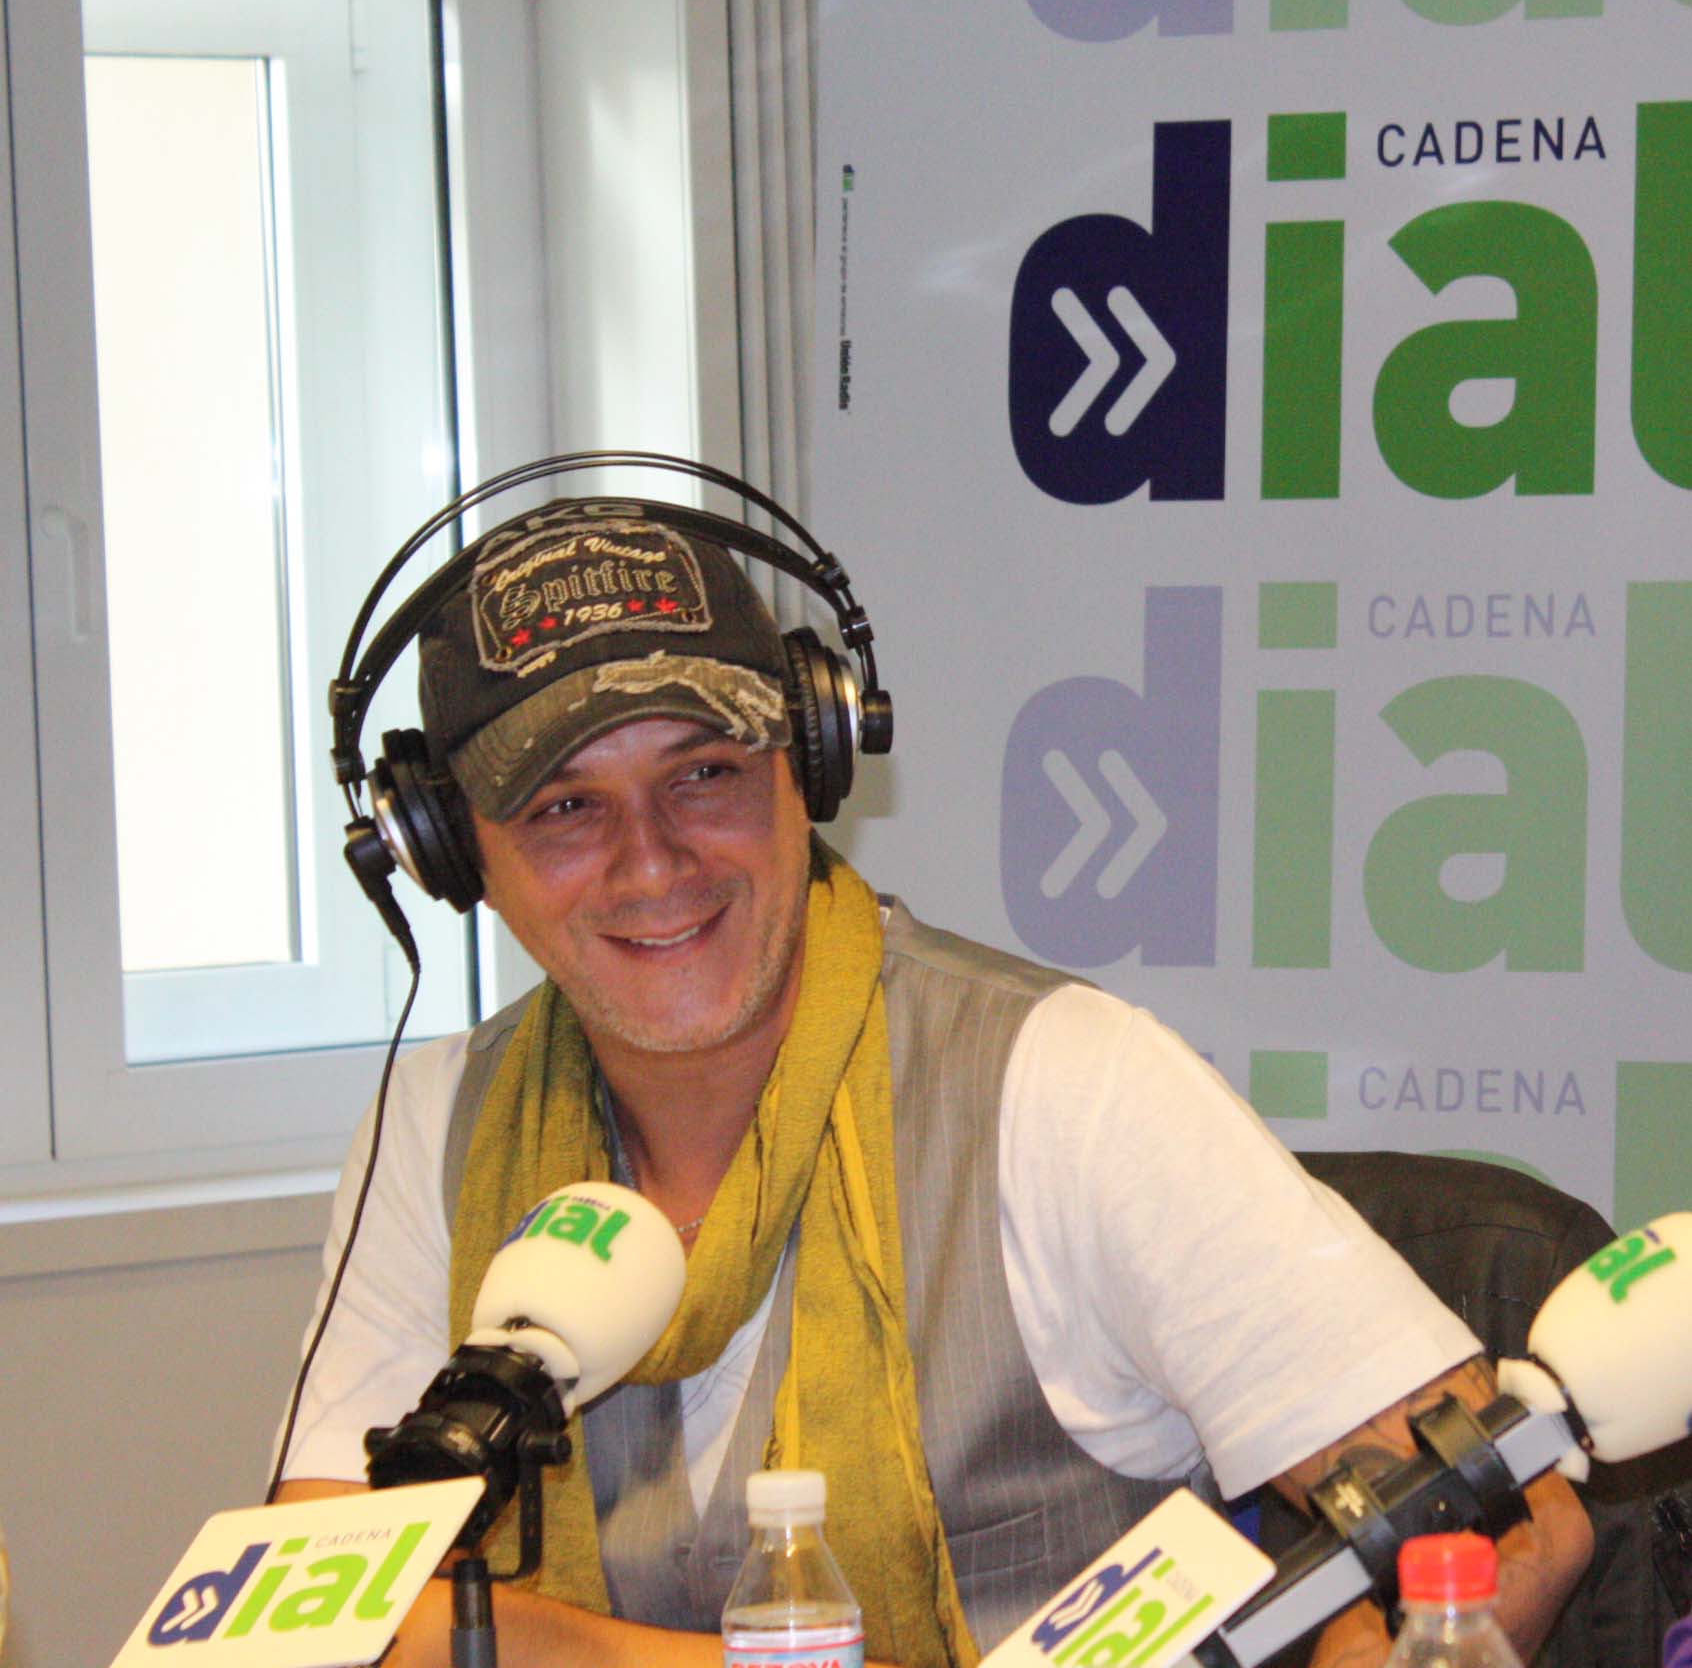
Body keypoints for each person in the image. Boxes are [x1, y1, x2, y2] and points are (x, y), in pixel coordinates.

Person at [274, 507, 1592, 1667]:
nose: (652, 862)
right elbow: (322, 1607)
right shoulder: (439, 1130)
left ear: (811, 762)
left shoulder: (1068, 1086)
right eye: (566, 808)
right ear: (450, 851)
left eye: (705, 774)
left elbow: (1506, 1514)